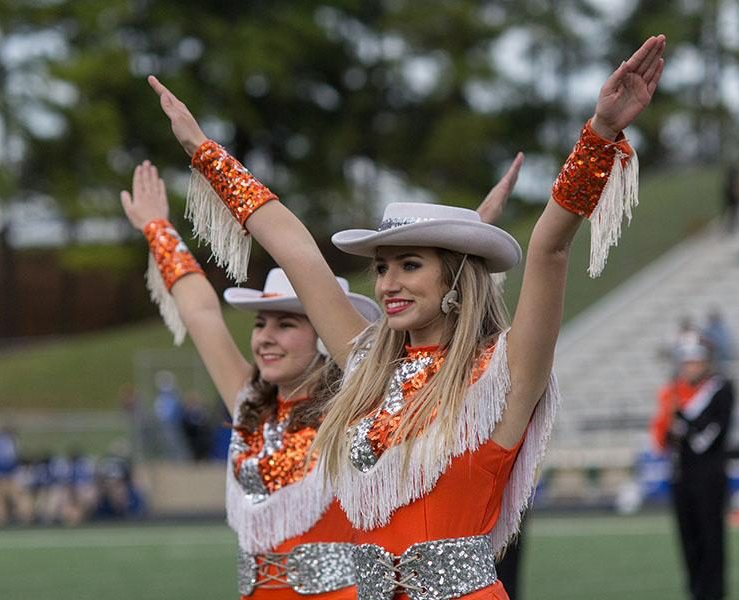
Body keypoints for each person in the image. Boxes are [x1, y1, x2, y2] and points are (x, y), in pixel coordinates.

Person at [149, 34, 666, 599]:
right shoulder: (368, 366)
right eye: (383, 267)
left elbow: (549, 249)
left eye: (409, 265)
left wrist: (600, 133)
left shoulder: (502, 374)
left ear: (454, 277)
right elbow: (294, 248)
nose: (388, 282)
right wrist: (203, 151)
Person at [121, 150, 524, 596]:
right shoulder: (249, 406)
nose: (265, 338)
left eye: (286, 323)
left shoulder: (358, 404)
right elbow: (200, 314)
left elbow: (433, 345)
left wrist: (469, 236)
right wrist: (158, 230)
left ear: (321, 330)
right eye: (260, 324)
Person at [649, 331, 735, 600]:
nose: (690, 366)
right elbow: (660, 440)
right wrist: (669, 418)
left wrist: (681, 418)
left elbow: (705, 439)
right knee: (688, 542)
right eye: (686, 361)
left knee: (711, 540)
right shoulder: (675, 392)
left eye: (696, 361)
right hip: (681, 477)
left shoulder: (721, 389)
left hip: (709, 478)